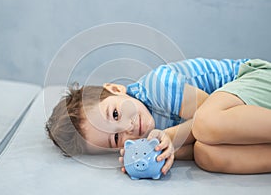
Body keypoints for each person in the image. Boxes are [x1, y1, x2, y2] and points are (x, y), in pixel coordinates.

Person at [46, 58, 271, 175]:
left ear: (116, 89)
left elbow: (207, 116)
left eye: (115, 114)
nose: (128, 128)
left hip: (256, 81)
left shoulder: (157, 85)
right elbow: (195, 144)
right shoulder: (146, 138)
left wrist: (169, 137)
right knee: (204, 155)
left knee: (205, 124)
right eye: (116, 139)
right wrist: (155, 156)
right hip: (250, 124)